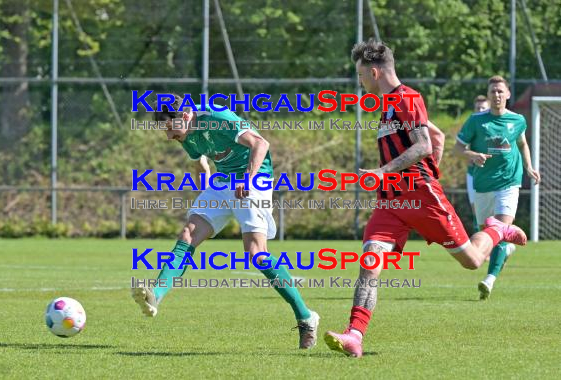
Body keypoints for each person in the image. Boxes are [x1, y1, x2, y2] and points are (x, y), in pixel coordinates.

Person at [323, 39, 527, 358]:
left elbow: (422, 146)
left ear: (374, 72)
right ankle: (354, 335)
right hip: (390, 203)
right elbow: (438, 137)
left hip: (421, 197)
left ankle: (497, 230)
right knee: (369, 264)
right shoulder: (388, 105)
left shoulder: (407, 98)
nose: (360, 83)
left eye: (361, 76)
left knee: (473, 261)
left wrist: (387, 170)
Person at [131, 95, 320, 349]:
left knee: (257, 255)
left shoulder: (218, 117)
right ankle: (156, 296)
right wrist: (206, 197)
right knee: (188, 234)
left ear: (185, 116)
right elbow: (201, 165)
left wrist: (248, 178)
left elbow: (260, 144)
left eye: (169, 128)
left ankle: (306, 317)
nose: (168, 136)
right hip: (222, 183)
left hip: (253, 179)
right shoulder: (185, 134)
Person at [455, 76, 541, 300]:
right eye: (493, 91)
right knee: (488, 234)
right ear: (489, 93)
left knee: (500, 230)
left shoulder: (517, 120)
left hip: (509, 183)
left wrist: (529, 167)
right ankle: (506, 250)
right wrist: (473, 155)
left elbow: (522, 143)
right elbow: (457, 148)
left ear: (508, 94)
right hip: (483, 185)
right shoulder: (476, 121)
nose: (497, 95)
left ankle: (489, 280)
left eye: (500, 91)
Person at [467, 95, 490, 233]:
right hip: (473, 174)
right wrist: (470, 156)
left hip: (491, 174)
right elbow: (461, 148)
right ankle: (481, 250)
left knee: (492, 212)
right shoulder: (470, 125)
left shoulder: (493, 125)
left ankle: (498, 244)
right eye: (478, 107)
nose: (480, 109)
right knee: (476, 210)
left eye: (483, 107)